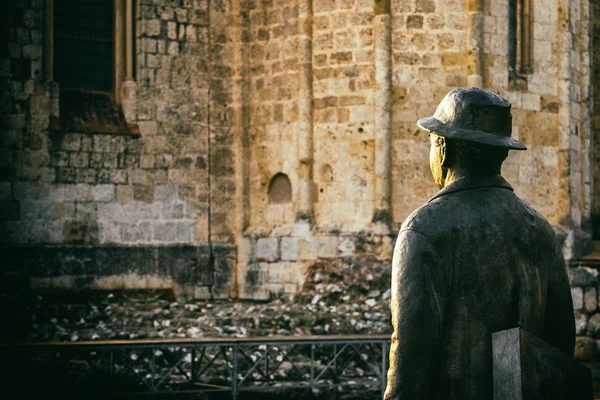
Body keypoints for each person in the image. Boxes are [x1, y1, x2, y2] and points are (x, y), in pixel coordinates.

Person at [384, 87, 575, 400]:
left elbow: (410, 361)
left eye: (432, 142)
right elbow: (560, 345)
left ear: (443, 149)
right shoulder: (539, 227)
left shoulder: (423, 229)